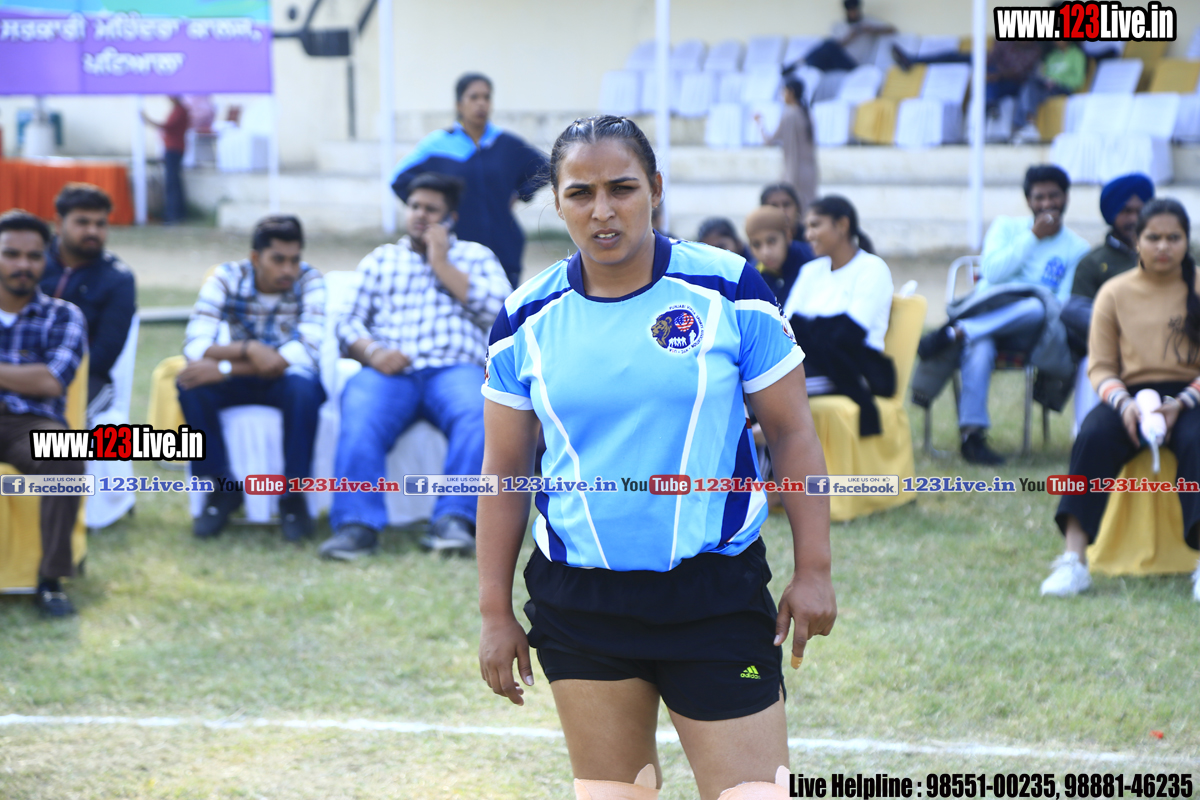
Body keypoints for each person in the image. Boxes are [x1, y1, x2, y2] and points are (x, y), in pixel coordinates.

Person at [476, 115, 836, 800]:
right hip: (581, 604)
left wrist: (814, 569)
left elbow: (792, 433)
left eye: (622, 188)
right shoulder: (525, 318)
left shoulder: (729, 289)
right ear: (557, 203)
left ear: (656, 189)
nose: (602, 210)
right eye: (580, 193)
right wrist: (495, 612)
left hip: (716, 597)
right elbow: (503, 473)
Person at [320, 172, 510, 560]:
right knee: (361, 415)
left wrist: (441, 263)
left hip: (455, 369)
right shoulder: (382, 259)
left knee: (480, 414)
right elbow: (346, 321)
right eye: (414, 206)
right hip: (389, 371)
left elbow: (501, 315)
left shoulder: (476, 256)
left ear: (451, 218)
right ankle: (356, 526)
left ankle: (454, 521)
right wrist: (373, 352)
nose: (420, 214)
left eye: (431, 209)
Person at [1041, 199, 1200, 601]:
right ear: (1136, 241)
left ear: (1187, 241)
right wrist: (1125, 405)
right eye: (1153, 237)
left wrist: (1182, 402)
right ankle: (1074, 560)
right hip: (1128, 397)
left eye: (1173, 238)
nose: (1163, 246)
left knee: (1198, 441)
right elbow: (1100, 367)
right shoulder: (1114, 292)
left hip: (1191, 396)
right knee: (1092, 437)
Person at [916, 165, 1089, 465]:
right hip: (990, 313)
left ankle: (959, 330)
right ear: (1028, 200)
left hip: (1034, 330)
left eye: (1054, 196)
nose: (1047, 204)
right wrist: (1033, 237)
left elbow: (1060, 303)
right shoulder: (1006, 227)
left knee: (1037, 307)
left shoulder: (1076, 247)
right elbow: (993, 273)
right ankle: (972, 437)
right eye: (1039, 197)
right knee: (980, 346)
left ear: (1066, 198)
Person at [177, 215, 327, 542]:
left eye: (294, 260)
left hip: (285, 380)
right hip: (240, 380)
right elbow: (196, 345)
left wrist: (226, 367)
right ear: (256, 258)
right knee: (189, 384)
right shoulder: (227, 277)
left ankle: (293, 494)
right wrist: (250, 348)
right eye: (278, 260)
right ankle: (222, 487)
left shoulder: (310, 280)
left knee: (304, 389)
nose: (288, 269)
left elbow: (306, 352)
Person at [0, 210, 88, 617]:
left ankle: (51, 580)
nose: (23, 264)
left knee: (65, 453)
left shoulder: (64, 314)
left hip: (31, 423)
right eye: (11, 254)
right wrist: (23, 376)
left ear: (46, 260)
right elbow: (38, 375)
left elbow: (52, 381)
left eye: (33, 256)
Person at [390, 73, 549, 290]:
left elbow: (547, 168)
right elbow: (398, 180)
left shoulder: (506, 144)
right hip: (455, 249)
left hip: (503, 245)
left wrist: (521, 193)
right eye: (474, 97)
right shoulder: (438, 144)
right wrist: (429, 209)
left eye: (486, 97)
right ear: (459, 104)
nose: (481, 103)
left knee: (504, 305)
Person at [782, 195, 894, 434]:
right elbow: (786, 331)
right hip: (808, 362)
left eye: (815, 225)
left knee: (769, 390)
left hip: (853, 369)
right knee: (751, 383)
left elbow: (849, 335)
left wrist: (807, 327)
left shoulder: (872, 269)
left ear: (842, 225)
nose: (808, 235)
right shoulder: (810, 271)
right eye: (807, 227)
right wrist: (818, 328)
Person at [1065, 174, 1154, 430]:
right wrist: (1119, 331)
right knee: (1089, 365)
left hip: (1164, 350)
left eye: (1140, 210)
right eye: (1126, 211)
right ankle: (1086, 436)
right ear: (1111, 214)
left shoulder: (1166, 257)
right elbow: (1075, 310)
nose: (1134, 218)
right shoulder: (1093, 262)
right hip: (1109, 349)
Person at [39, 183, 136, 413]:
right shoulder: (32, 262)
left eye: (100, 224)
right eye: (82, 222)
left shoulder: (118, 279)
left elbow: (105, 353)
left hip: (87, 377)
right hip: (20, 367)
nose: (92, 231)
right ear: (59, 224)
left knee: (57, 422)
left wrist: (51, 375)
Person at [753, 78, 818, 212]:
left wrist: (760, 124)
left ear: (791, 92)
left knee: (795, 209)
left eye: (784, 92)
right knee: (809, 207)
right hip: (809, 170)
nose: (782, 96)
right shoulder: (806, 113)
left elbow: (769, 141)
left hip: (795, 170)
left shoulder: (790, 114)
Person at [1011, 42, 1085, 144]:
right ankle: (1027, 126)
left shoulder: (1076, 55)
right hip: (1048, 88)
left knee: (1030, 92)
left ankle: (1024, 126)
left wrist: (1058, 80)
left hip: (1064, 88)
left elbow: (1078, 81)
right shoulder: (1052, 56)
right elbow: (1045, 75)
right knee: (1029, 86)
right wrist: (1046, 79)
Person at [743, 205, 815, 306]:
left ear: (787, 235)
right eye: (756, 245)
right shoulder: (752, 275)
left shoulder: (811, 263)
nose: (765, 252)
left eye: (771, 241)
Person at [802, 0, 896, 73]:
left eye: (855, 10)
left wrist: (871, 30)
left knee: (827, 45)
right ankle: (804, 65)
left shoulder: (868, 21)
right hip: (838, 60)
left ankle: (803, 62)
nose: (853, 13)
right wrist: (849, 37)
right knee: (826, 48)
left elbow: (892, 30)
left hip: (854, 64)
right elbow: (834, 47)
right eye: (851, 11)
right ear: (846, 11)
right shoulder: (839, 25)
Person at [142, 95, 190, 224]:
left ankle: (173, 214)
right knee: (174, 181)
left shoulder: (180, 110)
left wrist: (148, 120)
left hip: (174, 148)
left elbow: (169, 126)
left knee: (172, 182)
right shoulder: (178, 110)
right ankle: (176, 213)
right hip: (173, 147)